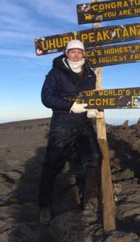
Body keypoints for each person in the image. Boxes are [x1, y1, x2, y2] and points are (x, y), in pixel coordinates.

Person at [38, 39, 103, 225]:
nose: (76, 55)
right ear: (66, 53)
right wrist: (70, 106)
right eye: (72, 52)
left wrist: (92, 108)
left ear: (83, 54)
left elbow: (92, 97)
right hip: (63, 124)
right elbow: (46, 97)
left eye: (79, 52)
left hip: (84, 124)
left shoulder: (90, 74)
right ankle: (45, 206)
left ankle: (90, 199)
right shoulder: (56, 72)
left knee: (95, 158)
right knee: (52, 164)